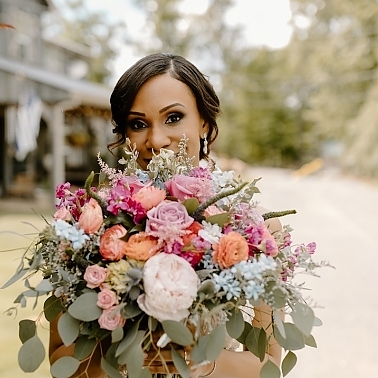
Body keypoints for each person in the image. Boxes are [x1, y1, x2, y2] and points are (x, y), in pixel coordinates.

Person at [49, 53, 283, 378]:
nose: (156, 140)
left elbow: (269, 365)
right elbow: (60, 362)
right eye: (138, 124)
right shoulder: (86, 224)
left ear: (203, 121)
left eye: (173, 117)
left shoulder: (258, 229)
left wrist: (204, 364)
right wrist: (123, 352)